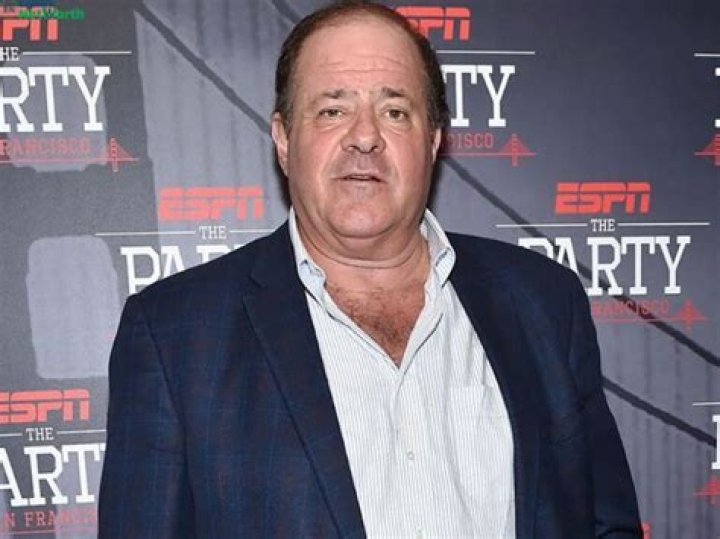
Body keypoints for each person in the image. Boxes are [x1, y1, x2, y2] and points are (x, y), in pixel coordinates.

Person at [98, 2, 641, 537]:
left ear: (433, 141)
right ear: (284, 140)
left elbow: (604, 523)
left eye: (395, 111)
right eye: (332, 110)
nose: (365, 136)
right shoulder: (175, 336)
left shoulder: (544, 302)